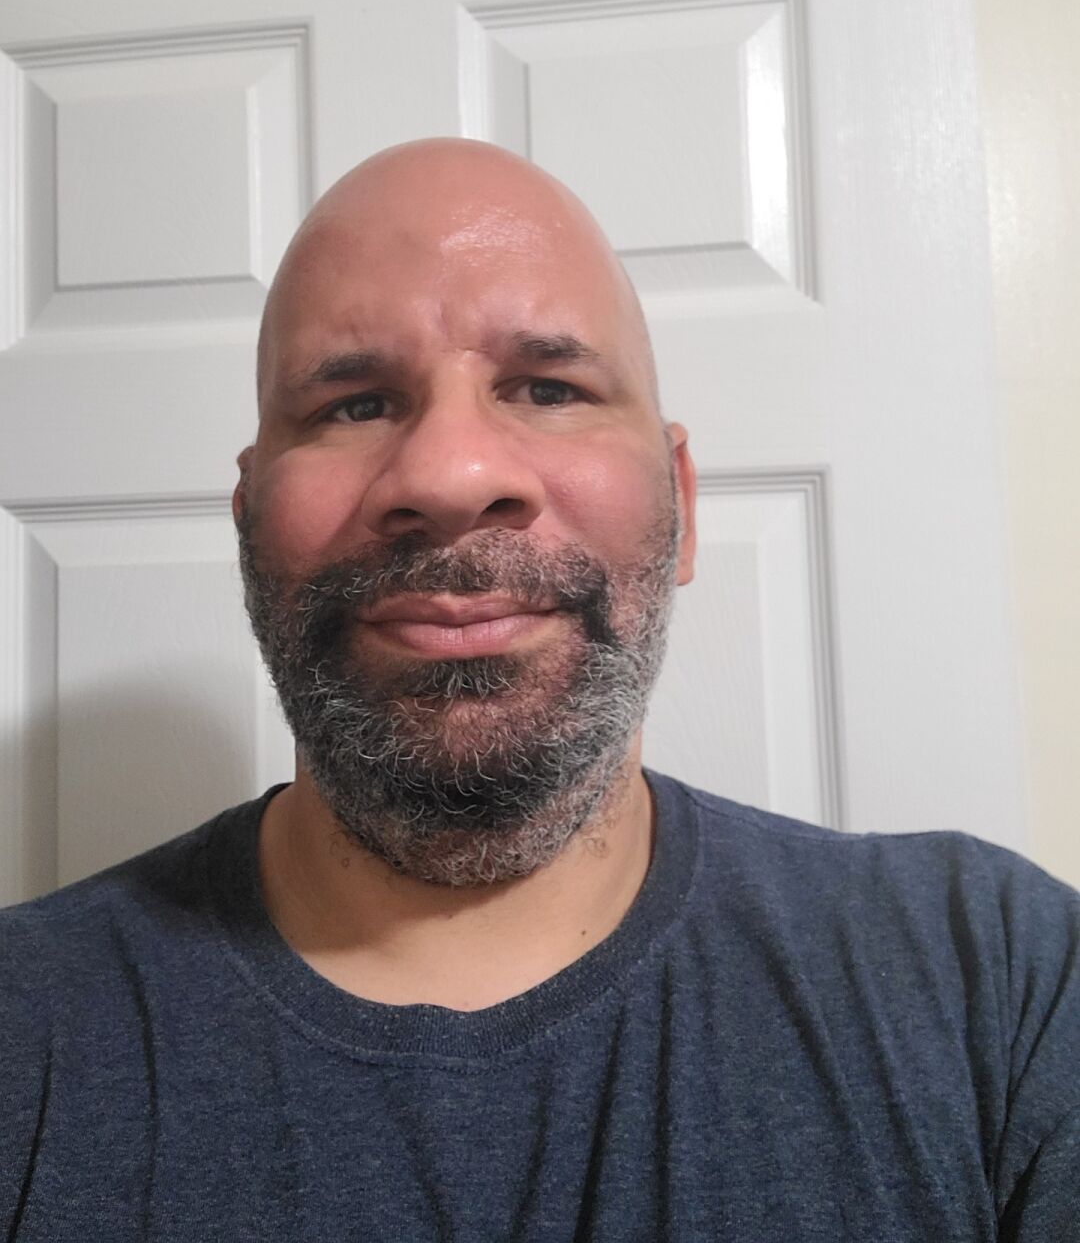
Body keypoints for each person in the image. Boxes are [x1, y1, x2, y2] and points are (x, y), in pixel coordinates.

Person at [1, 139, 1078, 1242]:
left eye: (549, 389)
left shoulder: (997, 981)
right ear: (247, 524)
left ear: (683, 508)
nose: (451, 477)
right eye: (355, 405)